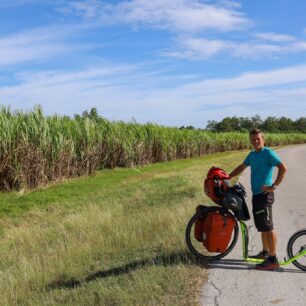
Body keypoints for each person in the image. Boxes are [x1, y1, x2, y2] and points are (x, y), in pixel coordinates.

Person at [229, 129, 287, 270]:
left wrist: (274, 186)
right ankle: (265, 253)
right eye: (253, 139)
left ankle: (273, 260)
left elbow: (283, 168)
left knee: (268, 226)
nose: (255, 141)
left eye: (258, 139)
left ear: (263, 140)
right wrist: (228, 176)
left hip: (265, 196)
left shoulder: (268, 153)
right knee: (262, 226)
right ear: (250, 140)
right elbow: (242, 167)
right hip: (256, 195)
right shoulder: (252, 155)